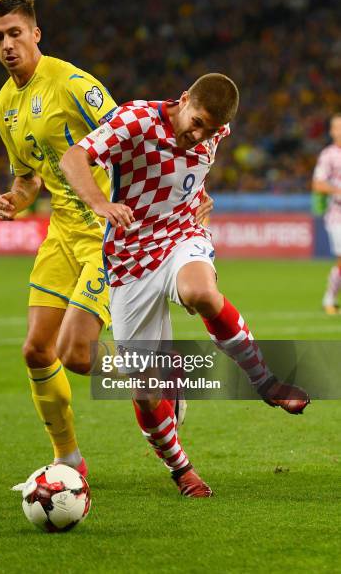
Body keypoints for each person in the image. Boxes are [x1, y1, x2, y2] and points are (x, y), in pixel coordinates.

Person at [60, 73, 310, 497]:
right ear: (183, 100)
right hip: (129, 260)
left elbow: (191, 171)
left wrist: (198, 200)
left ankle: (266, 383)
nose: (199, 136)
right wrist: (100, 203)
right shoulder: (136, 119)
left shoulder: (216, 129)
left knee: (200, 293)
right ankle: (181, 469)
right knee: (143, 387)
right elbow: (73, 159)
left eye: (209, 131)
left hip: (181, 237)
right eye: (196, 123)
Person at [0, 0, 119, 476]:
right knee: (36, 350)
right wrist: (14, 200)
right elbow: (28, 177)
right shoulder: (4, 104)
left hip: (107, 235)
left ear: (35, 33)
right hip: (61, 233)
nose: (7, 44)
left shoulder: (72, 83)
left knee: (78, 355)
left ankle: (156, 381)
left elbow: (128, 138)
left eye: (15, 33)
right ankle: (69, 461)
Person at [312, 114, 341, 315]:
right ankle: (329, 299)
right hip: (337, 215)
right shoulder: (328, 155)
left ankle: (329, 299)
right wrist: (338, 191)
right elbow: (317, 183)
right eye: (337, 127)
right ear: (331, 131)